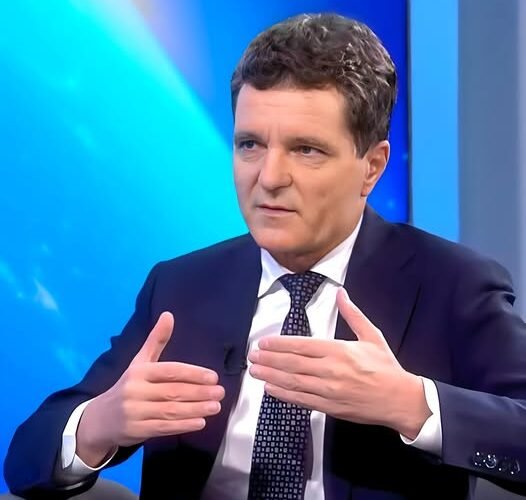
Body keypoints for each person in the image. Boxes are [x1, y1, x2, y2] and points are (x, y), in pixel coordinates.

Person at [4, 12, 526, 500]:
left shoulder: (452, 285)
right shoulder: (182, 287)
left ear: (372, 166)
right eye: (250, 145)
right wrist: (101, 423)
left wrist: (413, 405)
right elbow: (26, 460)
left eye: (306, 150)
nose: (269, 178)